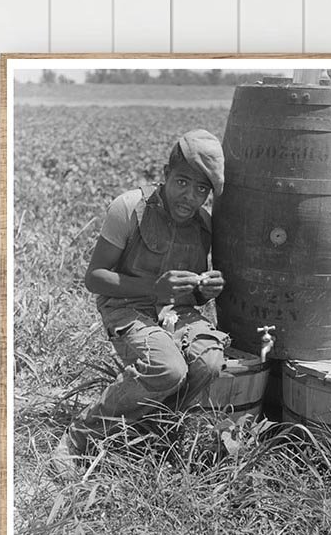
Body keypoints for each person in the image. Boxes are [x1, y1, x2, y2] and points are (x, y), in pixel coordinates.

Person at [53, 128, 230, 472]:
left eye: (201, 190)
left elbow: (187, 294)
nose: (189, 197)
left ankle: (152, 430)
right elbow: (95, 278)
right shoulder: (130, 207)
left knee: (209, 361)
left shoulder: (204, 225)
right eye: (182, 182)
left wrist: (204, 290)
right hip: (125, 307)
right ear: (165, 175)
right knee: (167, 368)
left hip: (174, 312)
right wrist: (153, 290)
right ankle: (80, 437)